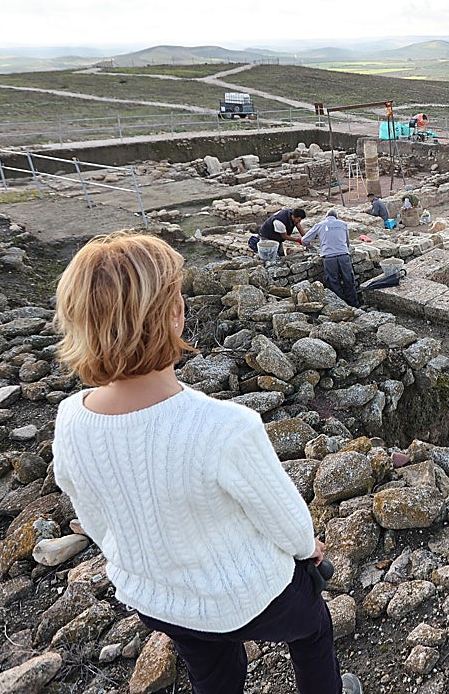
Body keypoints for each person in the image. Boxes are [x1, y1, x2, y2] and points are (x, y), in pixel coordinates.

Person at [51, 232, 360, 694]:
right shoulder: (224, 426)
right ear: (174, 316)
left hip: (158, 598)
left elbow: (94, 519)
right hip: (248, 598)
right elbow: (286, 519)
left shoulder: (71, 418)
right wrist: (307, 549)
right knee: (313, 629)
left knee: (210, 665)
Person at [301, 209, 360, 308]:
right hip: (344, 256)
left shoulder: (320, 225)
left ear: (326, 217)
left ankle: (340, 305)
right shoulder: (343, 224)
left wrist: (309, 246)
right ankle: (354, 304)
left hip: (329, 258)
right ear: (336, 217)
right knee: (349, 280)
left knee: (333, 282)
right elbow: (347, 242)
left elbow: (304, 240)